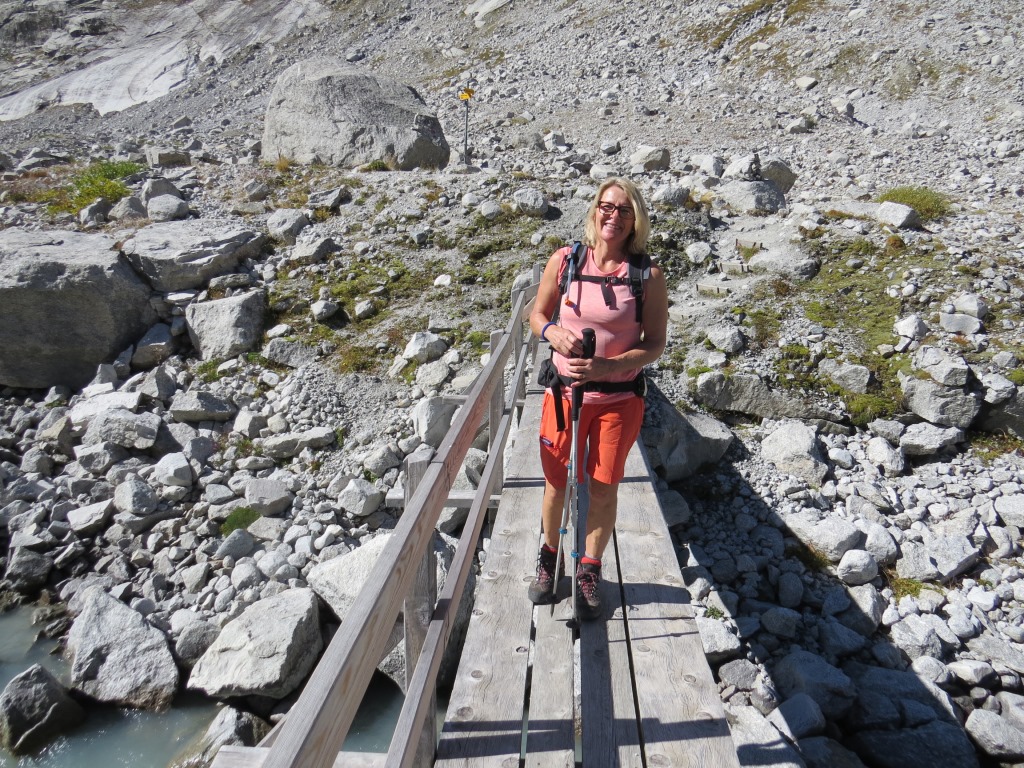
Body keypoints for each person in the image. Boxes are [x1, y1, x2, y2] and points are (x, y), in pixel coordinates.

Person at [527, 178, 668, 620]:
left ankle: (589, 568)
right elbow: (537, 314)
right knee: (556, 481)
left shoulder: (647, 276)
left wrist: (607, 367)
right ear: (595, 210)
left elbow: (655, 344)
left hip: (618, 400)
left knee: (604, 487)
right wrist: (553, 332)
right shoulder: (565, 260)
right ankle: (549, 555)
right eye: (607, 206)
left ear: (636, 219)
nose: (614, 216)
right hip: (564, 396)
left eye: (624, 210)